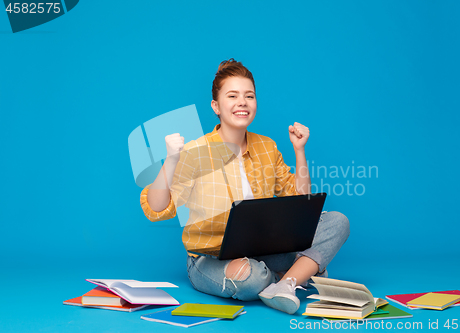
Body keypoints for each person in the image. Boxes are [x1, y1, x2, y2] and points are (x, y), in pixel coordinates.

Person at [140, 59, 350, 314]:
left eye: (249, 96)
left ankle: (286, 282)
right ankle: (299, 272)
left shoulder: (267, 147)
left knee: (337, 221)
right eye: (233, 96)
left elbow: (303, 203)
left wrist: (299, 151)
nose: (242, 102)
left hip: (264, 250)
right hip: (211, 258)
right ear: (216, 106)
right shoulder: (196, 152)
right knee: (252, 278)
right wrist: (171, 160)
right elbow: (156, 208)